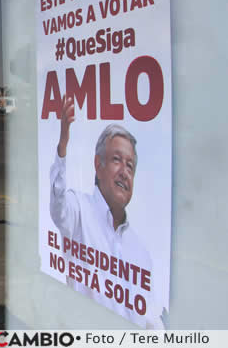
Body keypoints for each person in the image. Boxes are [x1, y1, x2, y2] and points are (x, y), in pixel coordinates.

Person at [50, 95, 161, 328]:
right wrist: (62, 146)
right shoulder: (78, 209)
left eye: (130, 166)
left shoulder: (141, 252)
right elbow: (57, 206)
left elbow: (149, 321)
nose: (124, 172)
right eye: (117, 160)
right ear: (97, 165)